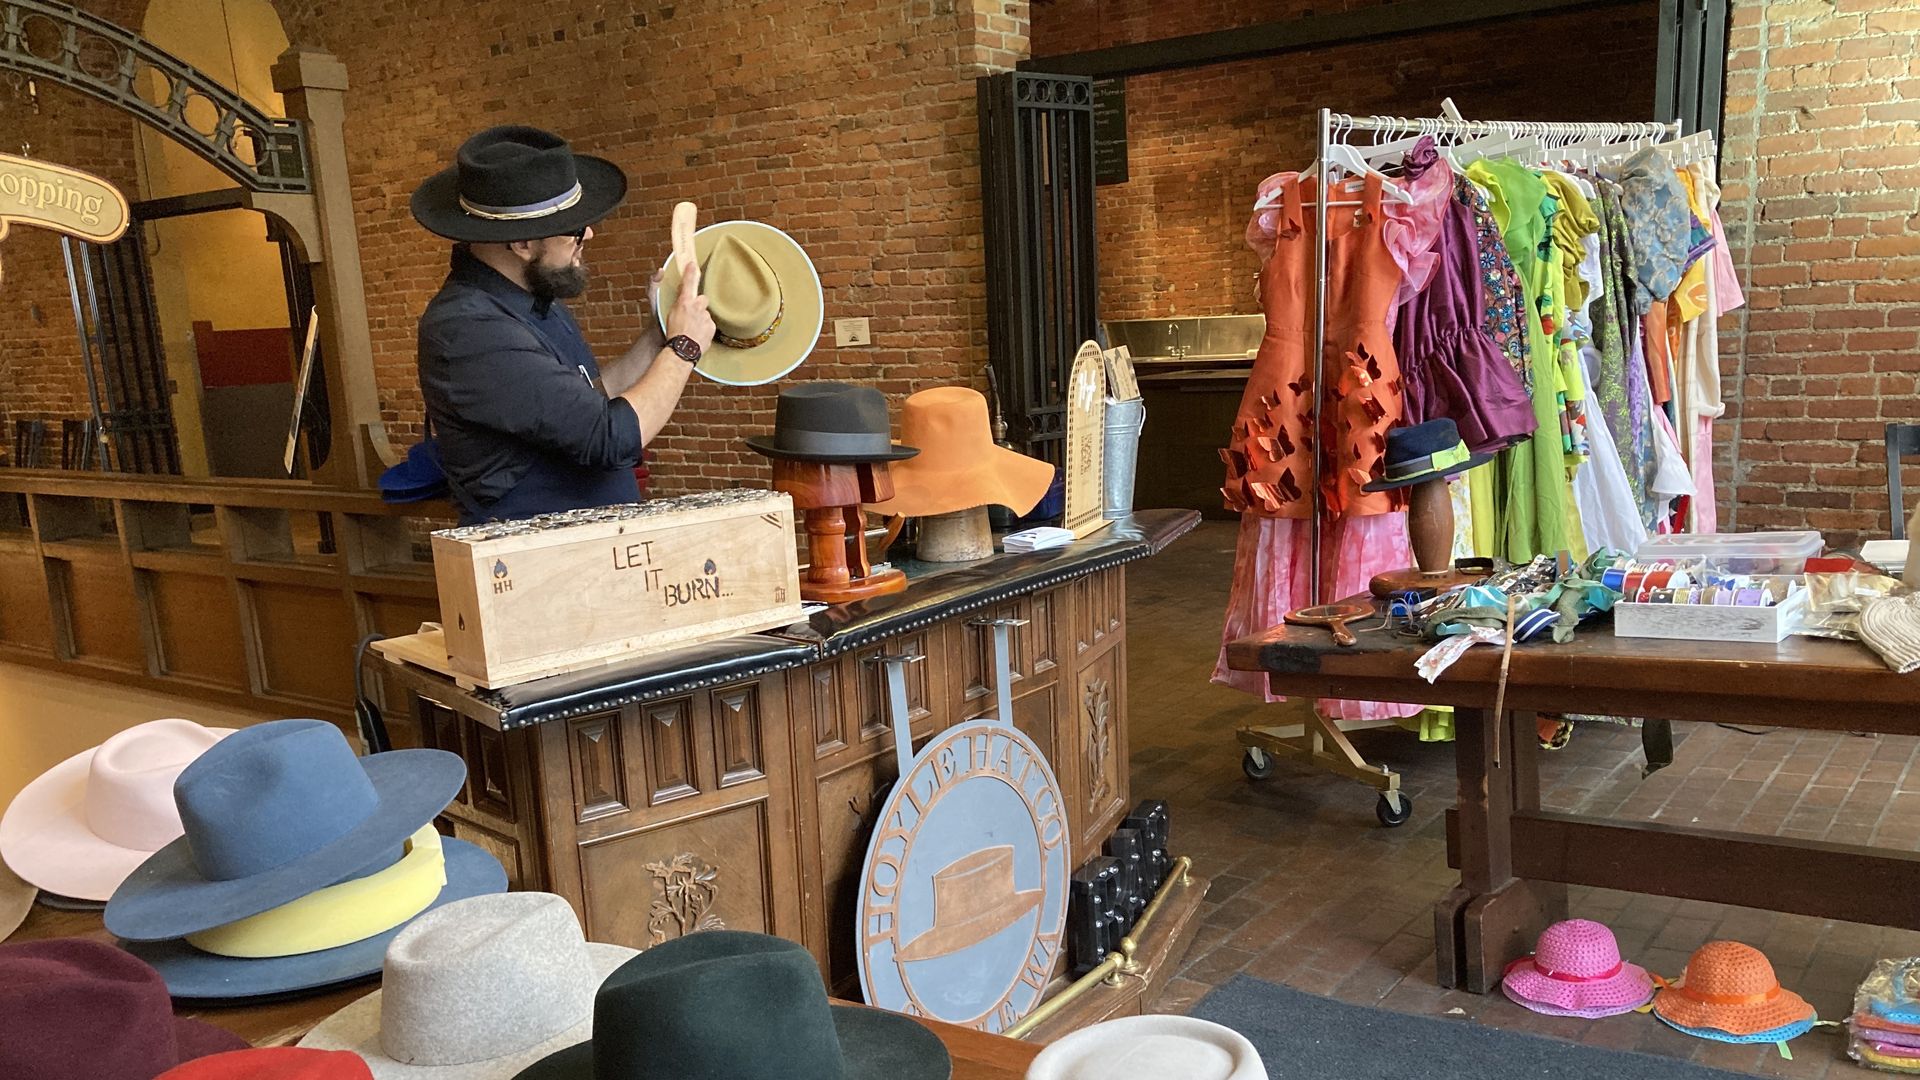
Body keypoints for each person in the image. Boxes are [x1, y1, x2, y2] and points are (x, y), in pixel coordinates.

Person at [408, 126, 715, 523]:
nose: (588, 233)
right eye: (573, 231)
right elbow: (610, 438)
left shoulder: (530, 298)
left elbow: (590, 402)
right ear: (522, 244)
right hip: (534, 564)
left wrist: (658, 334)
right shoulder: (468, 329)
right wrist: (683, 349)